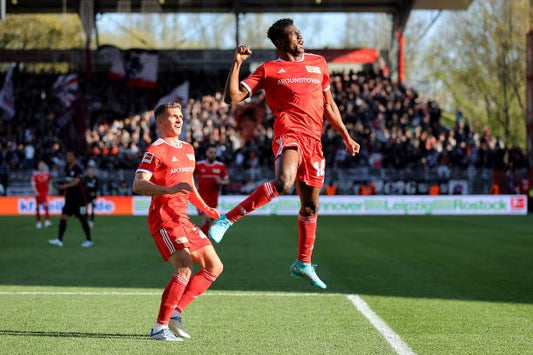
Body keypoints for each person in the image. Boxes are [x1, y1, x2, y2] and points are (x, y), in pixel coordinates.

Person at [210, 18, 360, 289]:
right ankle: (227, 219)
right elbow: (232, 97)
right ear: (280, 42)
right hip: (289, 132)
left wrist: (346, 136)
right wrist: (237, 63)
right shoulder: (269, 70)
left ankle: (303, 262)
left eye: (300, 33)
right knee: (284, 182)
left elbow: (329, 105)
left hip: (315, 141)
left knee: (310, 206)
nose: (300, 38)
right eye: (294, 35)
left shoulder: (319, 64)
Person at [132, 103, 223, 342]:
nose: (179, 120)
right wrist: (169, 189)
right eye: (173, 116)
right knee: (183, 266)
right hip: (163, 219)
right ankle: (159, 328)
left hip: (183, 218)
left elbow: (189, 184)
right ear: (160, 122)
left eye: (181, 116)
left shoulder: (189, 149)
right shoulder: (156, 149)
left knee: (214, 266)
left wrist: (205, 208)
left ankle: (176, 311)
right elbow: (138, 185)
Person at [48, 151, 93, 248]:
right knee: (63, 217)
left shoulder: (78, 168)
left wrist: (64, 186)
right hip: (70, 199)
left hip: (80, 199)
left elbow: (77, 182)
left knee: (83, 219)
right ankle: (59, 240)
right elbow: (67, 181)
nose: (67, 157)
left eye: (69, 156)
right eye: (67, 156)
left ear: (74, 158)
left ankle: (89, 239)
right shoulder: (66, 169)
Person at [194, 143, 230, 235]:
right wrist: (193, 186)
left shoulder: (220, 166)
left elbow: (227, 181)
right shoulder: (199, 165)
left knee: (208, 224)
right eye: (210, 152)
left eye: (214, 153)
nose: (212, 155)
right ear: (206, 153)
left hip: (213, 200)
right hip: (201, 200)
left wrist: (220, 182)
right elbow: (189, 176)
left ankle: (204, 241)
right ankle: (199, 240)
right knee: (207, 219)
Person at [32, 160, 52, 228]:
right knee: (37, 207)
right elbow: (33, 184)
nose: (41, 166)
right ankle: (38, 222)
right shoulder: (35, 175)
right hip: (38, 192)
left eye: (42, 165)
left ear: (44, 166)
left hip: (44, 192)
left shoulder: (47, 174)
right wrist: (35, 191)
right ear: (38, 166)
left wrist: (50, 190)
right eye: (40, 165)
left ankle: (47, 221)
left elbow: (49, 183)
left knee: (46, 206)